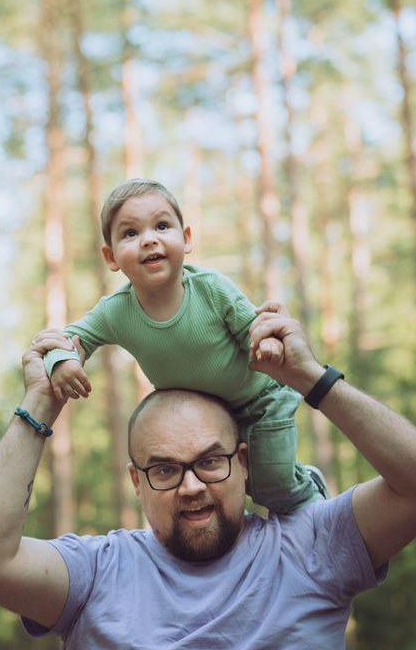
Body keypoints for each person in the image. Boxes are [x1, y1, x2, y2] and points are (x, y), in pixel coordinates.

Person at [0, 304, 416, 650]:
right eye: (165, 469)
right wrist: (40, 401)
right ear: (136, 481)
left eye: (210, 461)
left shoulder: (312, 544)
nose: (191, 486)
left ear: (243, 461)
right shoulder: (95, 572)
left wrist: (311, 378)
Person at [43, 178, 324, 514]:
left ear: (186, 238)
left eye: (162, 226)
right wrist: (64, 362)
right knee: (227, 492)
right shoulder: (116, 311)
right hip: (203, 424)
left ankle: (317, 504)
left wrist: (269, 346)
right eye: (130, 233)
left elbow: (256, 329)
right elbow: (69, 339)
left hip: (261, 402)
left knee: (272, 489)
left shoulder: (211, 289)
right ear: (111, 256)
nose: (149, 239)